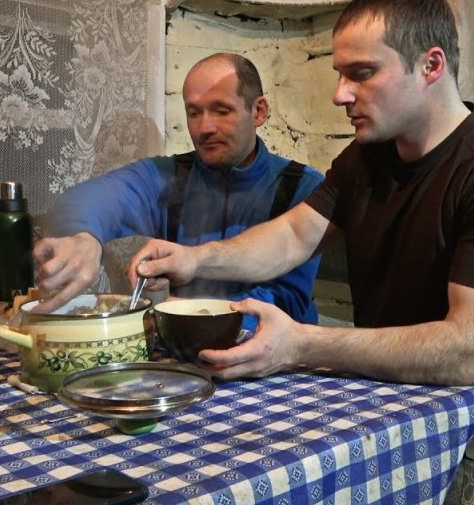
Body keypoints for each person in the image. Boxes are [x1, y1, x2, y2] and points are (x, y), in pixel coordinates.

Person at [128, 0, 474, 505]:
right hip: (378, 381)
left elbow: (465, 352)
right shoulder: (366, 159)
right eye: (340, 74)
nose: (340, 94)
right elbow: (293, 235)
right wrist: (193, 258)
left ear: (430, 66)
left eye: (361, 73)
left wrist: (302, 345)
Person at [30, 53, 324, 327]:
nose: (204, 127)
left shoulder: (300, 185)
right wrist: (84, 238)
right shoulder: (171, 176)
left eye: (221, 110)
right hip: (184, 348)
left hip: (279, 361)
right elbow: (94, 196)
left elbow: (290, 300)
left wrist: (189, 314)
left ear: (258, 111)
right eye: (194, 113)